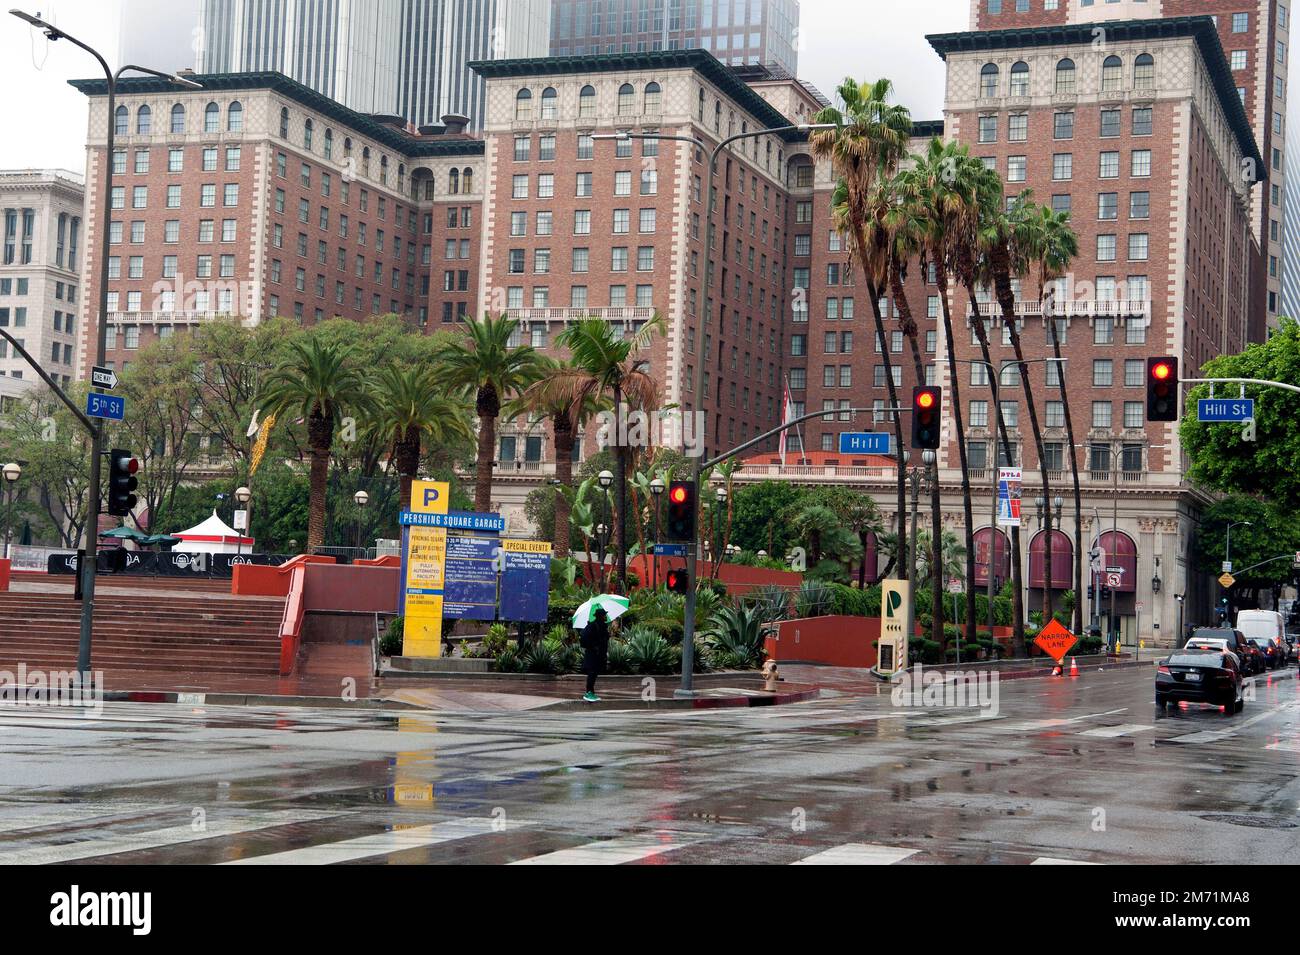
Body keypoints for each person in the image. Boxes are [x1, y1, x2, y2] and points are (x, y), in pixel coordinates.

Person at [580, 607, 610, 702]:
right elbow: (585, 639)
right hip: (593, 654)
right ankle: (589, 692)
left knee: (594, 673)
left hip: (599, 654)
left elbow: (603, 639)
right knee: (592, 673)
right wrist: (593, 646)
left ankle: (591, 692)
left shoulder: (602, 626)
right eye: (604, 615)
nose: (606, 616)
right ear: (601, 616)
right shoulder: (592, 626)